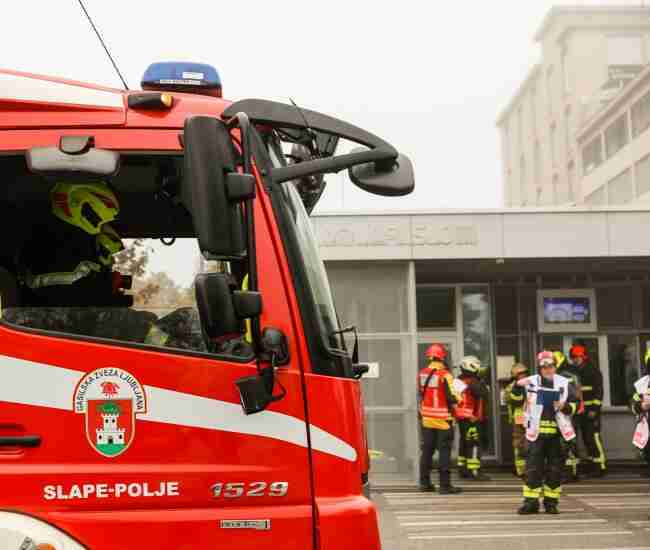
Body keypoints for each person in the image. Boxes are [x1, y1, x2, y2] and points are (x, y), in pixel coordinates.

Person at [514, 351, 579, 515]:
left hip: (557, 434)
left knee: (555, 470)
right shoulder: (531, 381)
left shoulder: (564, 383)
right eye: (544, 367)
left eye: (550, 366)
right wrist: (516, 386)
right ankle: (531, 503)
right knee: (532, 469)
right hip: (535, 433)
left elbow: (576, 405)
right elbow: (514, 398)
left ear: (555, 366)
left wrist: (564, 406)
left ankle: (551, 503)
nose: (547, 369)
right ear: (539, 368)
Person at [418, 343, 462, 494]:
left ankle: (424, 483)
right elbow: (453, 397)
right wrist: (460, 396)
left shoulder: (422, 373)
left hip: (427, 418)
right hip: (443, 419)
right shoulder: (445, 375)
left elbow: (421, 392)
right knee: (444, 452)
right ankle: (444, 486)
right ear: (442, 358)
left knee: (427, 451)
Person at [570, 344, 607, 477]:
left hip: (591, 411)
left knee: (592, 438)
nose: (575, 360)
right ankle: (590, 466)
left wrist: (594, 409)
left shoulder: (593, 371)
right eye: (573, 357)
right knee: (584, 439)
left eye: (577, 357)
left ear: (583, 357)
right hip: (579, 411)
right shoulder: (574, 371)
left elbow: (599, 392)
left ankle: (600, 466)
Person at [456, 355, 491, 481]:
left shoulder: (458, 381)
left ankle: (462, 468)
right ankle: (475, 470)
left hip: (462, 417)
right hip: (472, 417)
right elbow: (484, 394)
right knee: (475, 444)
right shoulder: (473, 382)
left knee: (464, 443)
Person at [554, 350, 583, 482]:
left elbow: (573, 396)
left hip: (568, 414)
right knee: (565, 443)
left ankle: (571, 473)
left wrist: (566, 408)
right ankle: (567, 472)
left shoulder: (565, 375)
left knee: (568, 442)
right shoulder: (565, 373)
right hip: (564, 414)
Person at [505, 362, 529, 478]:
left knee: (525, 443)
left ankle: (525, 469)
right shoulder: (512, 387)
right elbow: (512, 400)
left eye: (524, 374)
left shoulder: (530, 384)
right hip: (520, 417)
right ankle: (521, 470)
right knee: (520, 444)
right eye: (521, 374)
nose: (523, 376)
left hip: (527, 417)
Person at [631, 359, 650, 480]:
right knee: (647, 449)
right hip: (647, 423)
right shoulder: (642, 384)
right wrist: (641, 406)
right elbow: (633, 404)